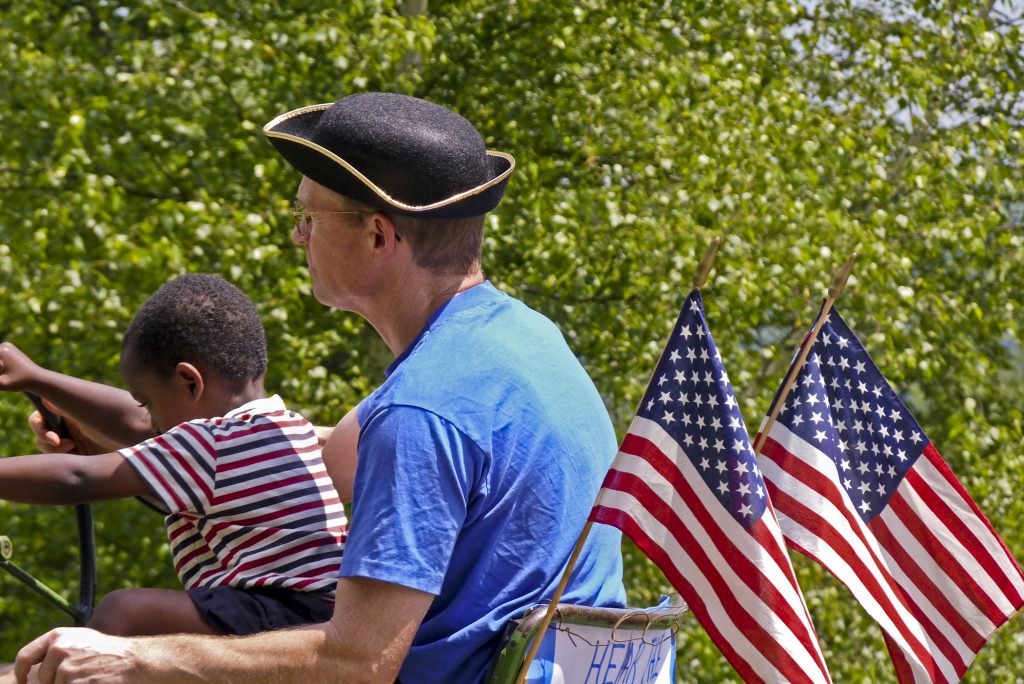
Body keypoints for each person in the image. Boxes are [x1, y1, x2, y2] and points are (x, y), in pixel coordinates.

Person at [12, 92, 625, 684]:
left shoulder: (421, 409)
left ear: (379, 236)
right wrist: (125, 451)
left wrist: (130, 659)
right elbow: (300, 448)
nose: (298, 237)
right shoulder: (525, 342)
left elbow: (356, 665)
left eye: (310, 216)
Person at [0, 274, 347, 637]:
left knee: (126, 613)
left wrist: (38, 380)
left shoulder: (213, 444)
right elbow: (136, 422)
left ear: (190, 382)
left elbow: (77, 478)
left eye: (149, 402)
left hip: (287, 616)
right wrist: (35, 378)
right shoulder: (283, 428)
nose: (150, 421)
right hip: (311, 611)